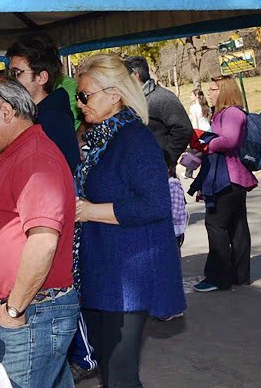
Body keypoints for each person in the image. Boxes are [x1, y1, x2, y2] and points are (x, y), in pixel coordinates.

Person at [73, 54, 186, 387]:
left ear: (114, 94)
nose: (80, 104)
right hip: (108, 270)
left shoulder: (134, 139)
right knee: (112, 371)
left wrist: (92, 210)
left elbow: (154, 204)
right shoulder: (103, 138)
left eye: (85, 95)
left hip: (128, 276)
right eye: (79, 96)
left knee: (119, 375)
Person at [0, 73, 78, 388]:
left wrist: (14, 308)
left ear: (5, 112)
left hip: (32, 312)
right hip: (30, 311)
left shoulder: (36, 158)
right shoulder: (15, 154)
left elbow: (43, 242)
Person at [192, 75, 258, 293]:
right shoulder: (228, 113)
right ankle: (239, 275)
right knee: (237, 226)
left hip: (227, 179)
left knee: (216, 225)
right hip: (232, 177)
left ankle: (218, 277)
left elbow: (229, 140)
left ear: (225, 92)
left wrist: (205, 145)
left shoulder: (230, 113)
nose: (209, 93)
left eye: (213, 89)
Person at [6, 34, 81, 172]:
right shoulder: (36, 114)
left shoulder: (53, 120)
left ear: (41, 77)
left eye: (17, 73)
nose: (11, 81)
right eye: (9, 73)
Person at [123, 55, 193, 163]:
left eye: (124, 76)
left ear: (135, 76)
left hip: (158, 167)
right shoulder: (129, 100)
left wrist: (167, 159)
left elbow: (184, 129)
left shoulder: (162, 97)